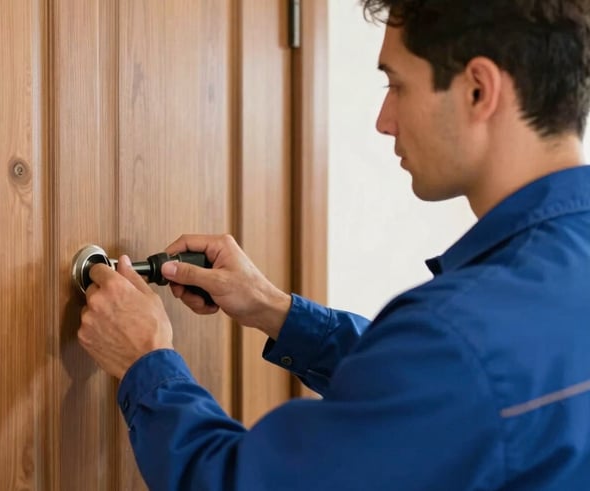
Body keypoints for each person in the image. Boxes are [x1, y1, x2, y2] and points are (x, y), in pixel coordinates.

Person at [78, 0, 590, 489]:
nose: (383, 120)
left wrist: (146, 362)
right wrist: (276, 311)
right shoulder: (500, 324)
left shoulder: (459, 339)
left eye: (397, 85)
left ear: (478, 90)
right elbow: (445, 399)